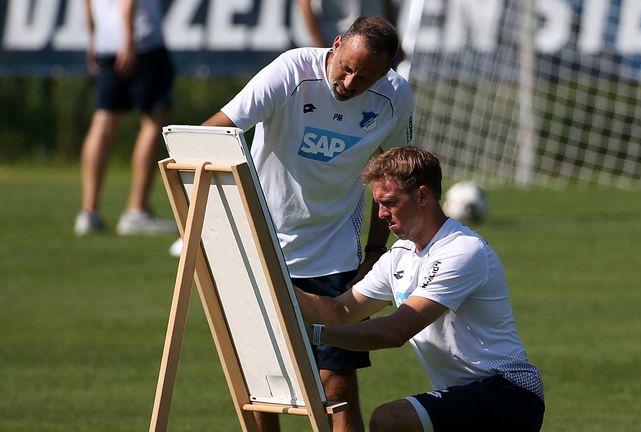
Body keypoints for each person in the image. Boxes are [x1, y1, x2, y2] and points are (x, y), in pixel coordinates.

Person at [191, 16, 413, 432]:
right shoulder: (291, 70)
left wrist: (374, 253)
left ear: (384, 75)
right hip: (258, 247)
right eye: (346, 67)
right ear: (336, 44)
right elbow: (217, 129)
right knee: (262, 391)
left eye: (364, 78)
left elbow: (393, 176)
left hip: (334, 256)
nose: (349, 82)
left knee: (337, 387)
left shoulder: (395, 96)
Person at [295, 146, 545, 432]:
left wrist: (315, 335)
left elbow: (394, 332)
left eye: (389, 202)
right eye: (377, 203)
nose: (381, 214)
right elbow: (340, 310)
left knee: (391, 420)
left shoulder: (461, 250)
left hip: (509, 392)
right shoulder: (399, 254)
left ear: (422, 196)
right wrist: (275, 284)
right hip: (466, 396)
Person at [74, 0, 177, 236]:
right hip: (141, 42)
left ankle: (89, 212)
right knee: (154, 121)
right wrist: (128, 39)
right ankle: (136, 211)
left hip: (106, 42)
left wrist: (94, 38)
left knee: (104, 119)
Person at [296, 0, 399, 48]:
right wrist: (319, 44)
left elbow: (387, 3)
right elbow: (304, 3)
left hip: (379, 41)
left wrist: (396, 39)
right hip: (335, 40)